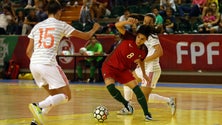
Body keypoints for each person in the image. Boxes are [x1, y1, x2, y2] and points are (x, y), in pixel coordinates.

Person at [26, 0, 100, 124]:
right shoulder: (61, 24)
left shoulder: (37, 26)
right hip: (48, 63)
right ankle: (38, 105)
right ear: (59, 12)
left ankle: (37, 121)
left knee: (55, 96)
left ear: (47, 11)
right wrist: (94, 29)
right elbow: (86, 36)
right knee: (66, 96)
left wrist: (37, 63)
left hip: (33, 64)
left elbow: (28, 51)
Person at [120, 13, 176, 116]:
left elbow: (160, 52)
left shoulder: (152, 36)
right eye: (145, 21)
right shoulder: (143, 33)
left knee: (143, 98)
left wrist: (144, 60)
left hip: (151, 69)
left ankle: (169, 101)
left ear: (153, 23)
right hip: (143, 68)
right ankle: (128, 107)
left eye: (149, 22)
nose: (146, 23)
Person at [102, 17, 153, 121]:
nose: (139, 40)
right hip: (109, 66)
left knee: (137, 90)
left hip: (123, 70)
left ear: (146, 40)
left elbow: (141, 62)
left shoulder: (144, 50)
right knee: (111, 88)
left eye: (142, 39)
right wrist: (127, 22)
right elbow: (117, 25)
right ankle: (126, 105)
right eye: (138, 37)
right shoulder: (129, 37)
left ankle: (147, 114)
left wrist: (144, 74)